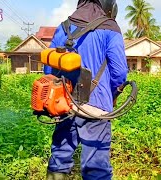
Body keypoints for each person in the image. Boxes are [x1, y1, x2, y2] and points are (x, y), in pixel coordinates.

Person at [43, 0, 128, 179]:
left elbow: (49, 68)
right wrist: (113, 94)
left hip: (64, 103)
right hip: (96, 107)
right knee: (96, 167)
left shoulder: (64, 26)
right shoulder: (111, 29)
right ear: (108, 8)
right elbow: (120, 73)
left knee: (60, 156)